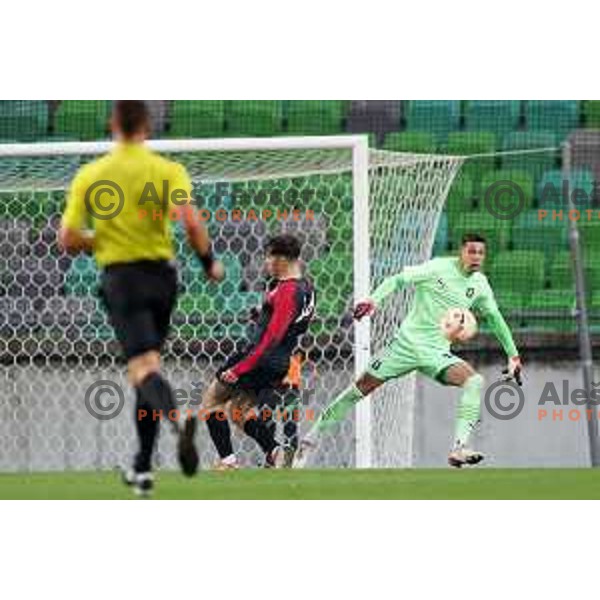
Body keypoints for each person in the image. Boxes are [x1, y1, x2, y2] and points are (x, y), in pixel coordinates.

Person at [59, 100, 223, 496]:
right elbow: (190, 220)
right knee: (147, 370)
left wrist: (101, 238)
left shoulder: (93, 175)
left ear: (113, 124)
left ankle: (178, 416)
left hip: (124, 278)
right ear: (147, 126)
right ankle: (142, 468)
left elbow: (66, 239)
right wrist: (208, 263)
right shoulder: (167, 171)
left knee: (144, 369)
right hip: (163, 278)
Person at [294, 233, 522, 469]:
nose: (476, 257)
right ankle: (310, 438)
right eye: (471, 251)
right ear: (461, 252)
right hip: (404, 346)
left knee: (474, 381)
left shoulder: (479, 285)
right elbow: (398, 280)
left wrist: (513, 354)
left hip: (436, 353)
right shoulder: (437, 268)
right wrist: (373, 300)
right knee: (358, 390)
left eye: (481, 253)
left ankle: (459, 448)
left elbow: (495, 319)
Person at [197, 234, 315, 469]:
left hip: (260, 358)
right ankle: (274, 452)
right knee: (239, 410)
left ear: (282, 259)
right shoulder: (307, 288)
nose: (266, 262)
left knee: (211, 401)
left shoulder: (288, 290)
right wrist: (261, 316)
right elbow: (288, 323)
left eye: (269, 256)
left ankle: (228, 462)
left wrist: (240, 368)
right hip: (278, 362)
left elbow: (272, 337)